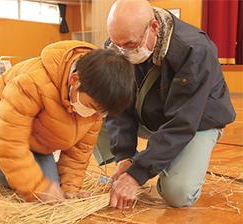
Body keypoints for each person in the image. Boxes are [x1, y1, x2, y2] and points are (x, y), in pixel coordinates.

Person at [0, 40, 135, 204]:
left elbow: (80, 151)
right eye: (91, 106)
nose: (94, 114)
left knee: (54, 188)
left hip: (36, 132)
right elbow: (11, 142)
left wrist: (70, 188)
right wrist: (36, 186)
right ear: (74, 79)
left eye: (101, 112)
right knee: (41, 185)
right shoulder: (33, 83)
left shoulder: (95, 100)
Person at [99, 0, 236, 208]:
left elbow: (182, 123)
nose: (123, 52)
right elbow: (119, 105)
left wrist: (137, 174)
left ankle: (162, 164)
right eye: (118, 45)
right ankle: (121, 167)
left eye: (129, 45)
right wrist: (124, 156)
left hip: (198, 122)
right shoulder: (119, 44)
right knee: (94, 110)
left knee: (178, 194)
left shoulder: (195, 50)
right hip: (151, 116)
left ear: (154, 28)